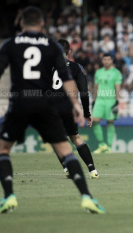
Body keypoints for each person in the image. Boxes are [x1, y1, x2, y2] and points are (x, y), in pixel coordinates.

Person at [0, 6, 105, 214]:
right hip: (47, 105)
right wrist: (77, 106)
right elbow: (66, 79)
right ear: (42, 25)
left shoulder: (10, 44)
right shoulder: (51, 47)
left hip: (21, 101)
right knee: (67, 148)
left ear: (21, 23)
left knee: (3, 149)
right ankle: (87, 197)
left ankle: (9, 196)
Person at [53, 39, 99, 180]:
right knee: (75, 138)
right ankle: (92, 170)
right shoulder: (77, 67)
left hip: (51, 108)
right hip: (68, 107)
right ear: (69, 52)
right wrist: (86, 113)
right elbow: (84, 93)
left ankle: (67, 167)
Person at [92, 54, 122, 153]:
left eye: (108, 59)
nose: (106, 61)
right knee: (95, 120)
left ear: (111, 61)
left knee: (110, 122)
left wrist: (117, 100)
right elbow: (95, 86)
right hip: (100, 99)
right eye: (105, 59)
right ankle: (102, 144)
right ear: (102, 61)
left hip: (111, 100)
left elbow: (117, 86)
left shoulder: (116, 72)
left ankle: (109, 146)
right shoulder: (98, 72)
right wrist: (94, 99)